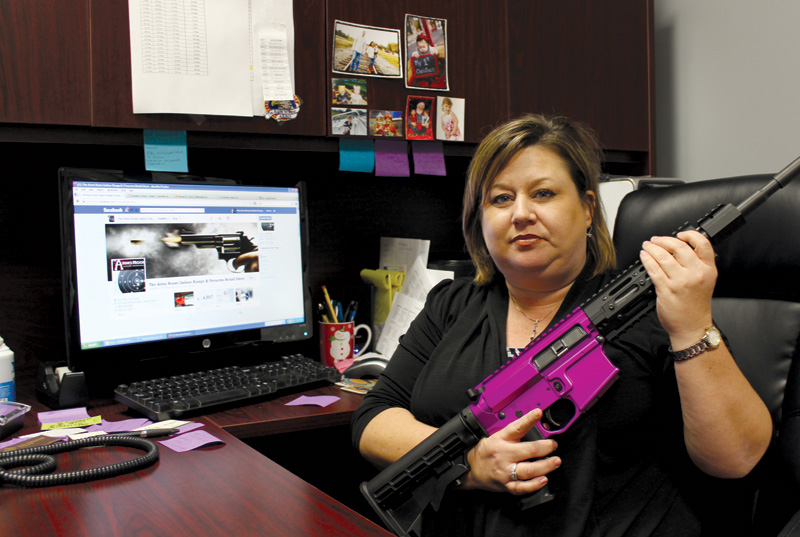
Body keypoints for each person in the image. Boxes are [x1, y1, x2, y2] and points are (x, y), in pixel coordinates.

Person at [352, 114, 772, 536]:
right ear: (479, 220)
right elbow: (373, 418)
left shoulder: (652, 309)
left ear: (588, 209)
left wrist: (691, 327)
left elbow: (736, 458)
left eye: (544, 193)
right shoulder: (449, 306)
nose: (520, 213)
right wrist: (470, 464)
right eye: (500, 199)